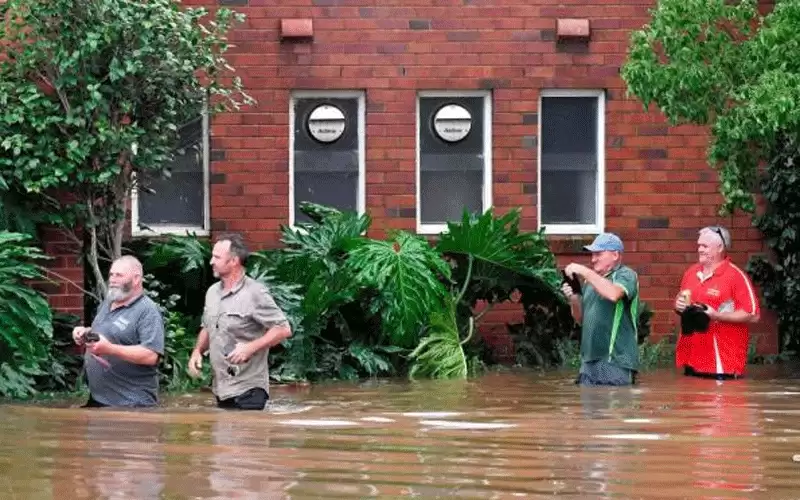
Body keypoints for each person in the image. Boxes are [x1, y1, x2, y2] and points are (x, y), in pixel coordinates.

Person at [188, 233, 292, 410]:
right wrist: (197, 351)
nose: (211, 261)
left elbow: (283, 329)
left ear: (234, 261)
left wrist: (250, 347)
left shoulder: (255, 293)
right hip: (222, 388)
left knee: (245, 434)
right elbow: (208, 326)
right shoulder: (212, 292)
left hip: (250, 389)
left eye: (217, 257)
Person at [72, 255, 165, 408]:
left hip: (132, 404)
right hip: (99, 399)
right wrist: (84, 333)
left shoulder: (147, 311)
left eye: (119, 275)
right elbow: (107, 332)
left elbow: (151, 355)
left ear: (136, 279)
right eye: (111, 275)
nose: (113, 280)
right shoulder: (107, 303)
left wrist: (110, 349)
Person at [674, 225, 760, 380]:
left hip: (722, 362)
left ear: (720, 247)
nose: (700, 249)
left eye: (705, 246)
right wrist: (678, 306)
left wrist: (717, 315)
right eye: (699, 245)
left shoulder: (735, 276)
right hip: (692, 359)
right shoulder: (691, 273)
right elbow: (682, 300)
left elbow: (752, 315)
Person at [561, 233, 640, 386]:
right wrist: (574, 297)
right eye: (592, 254)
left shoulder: (626, 275)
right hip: (588, 361)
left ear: (615, 255)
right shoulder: (590, 283)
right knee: (590, 408)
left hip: (615, 360)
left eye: (598, 254)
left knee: (613, 407)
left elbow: (613, 294)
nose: (593, 259)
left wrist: (584, 271)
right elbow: (580, 319)